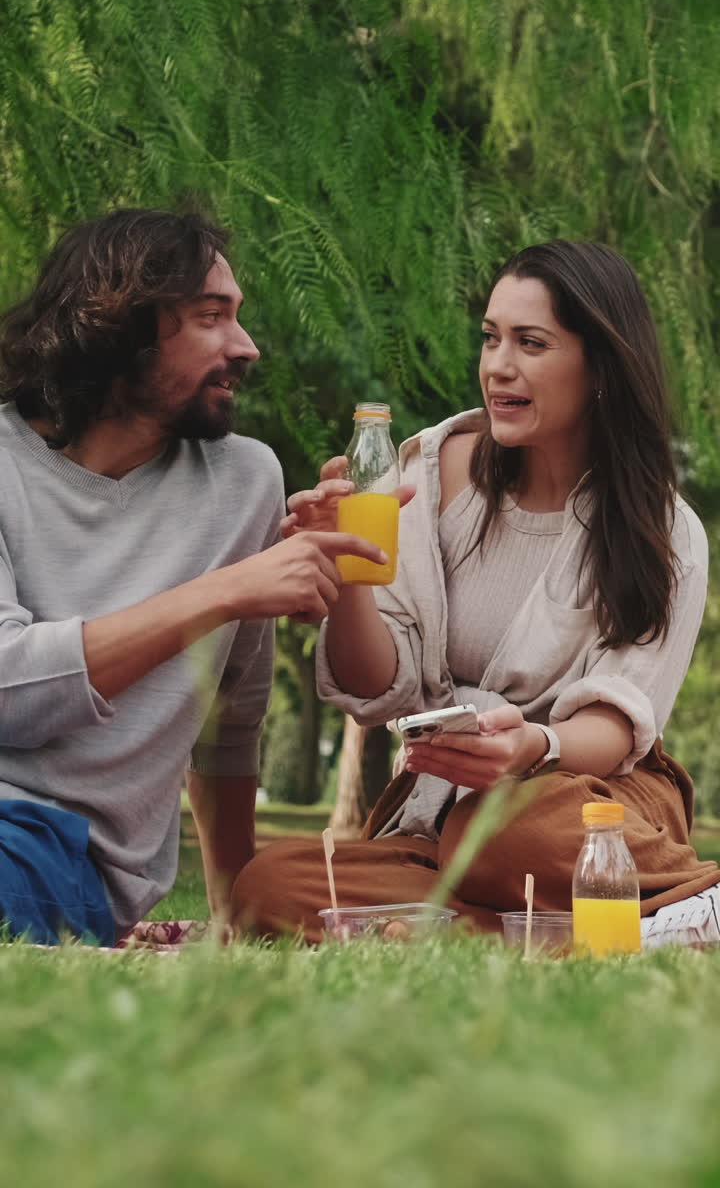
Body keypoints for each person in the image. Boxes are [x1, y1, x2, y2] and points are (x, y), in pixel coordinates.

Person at [232, 239, 720, 943]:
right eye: (490, 339)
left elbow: (616, 727)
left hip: (590, 801)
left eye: (531, 343)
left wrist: (532, 746)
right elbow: (379, 686)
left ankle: (684, 896)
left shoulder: (664, 530)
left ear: (600, 366)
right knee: (268, 885)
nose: (497, 366)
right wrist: (348, 577)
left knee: (497, 832)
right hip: (444, 811)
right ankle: (557, 933)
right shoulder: (431, 477)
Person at [0, 207, 386, 945]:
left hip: (53, 849)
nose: (247, 347)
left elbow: (227, 721)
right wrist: (228, 591)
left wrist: (235, 913)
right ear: (116, 325)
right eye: (212, 317)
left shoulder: (244, 480)